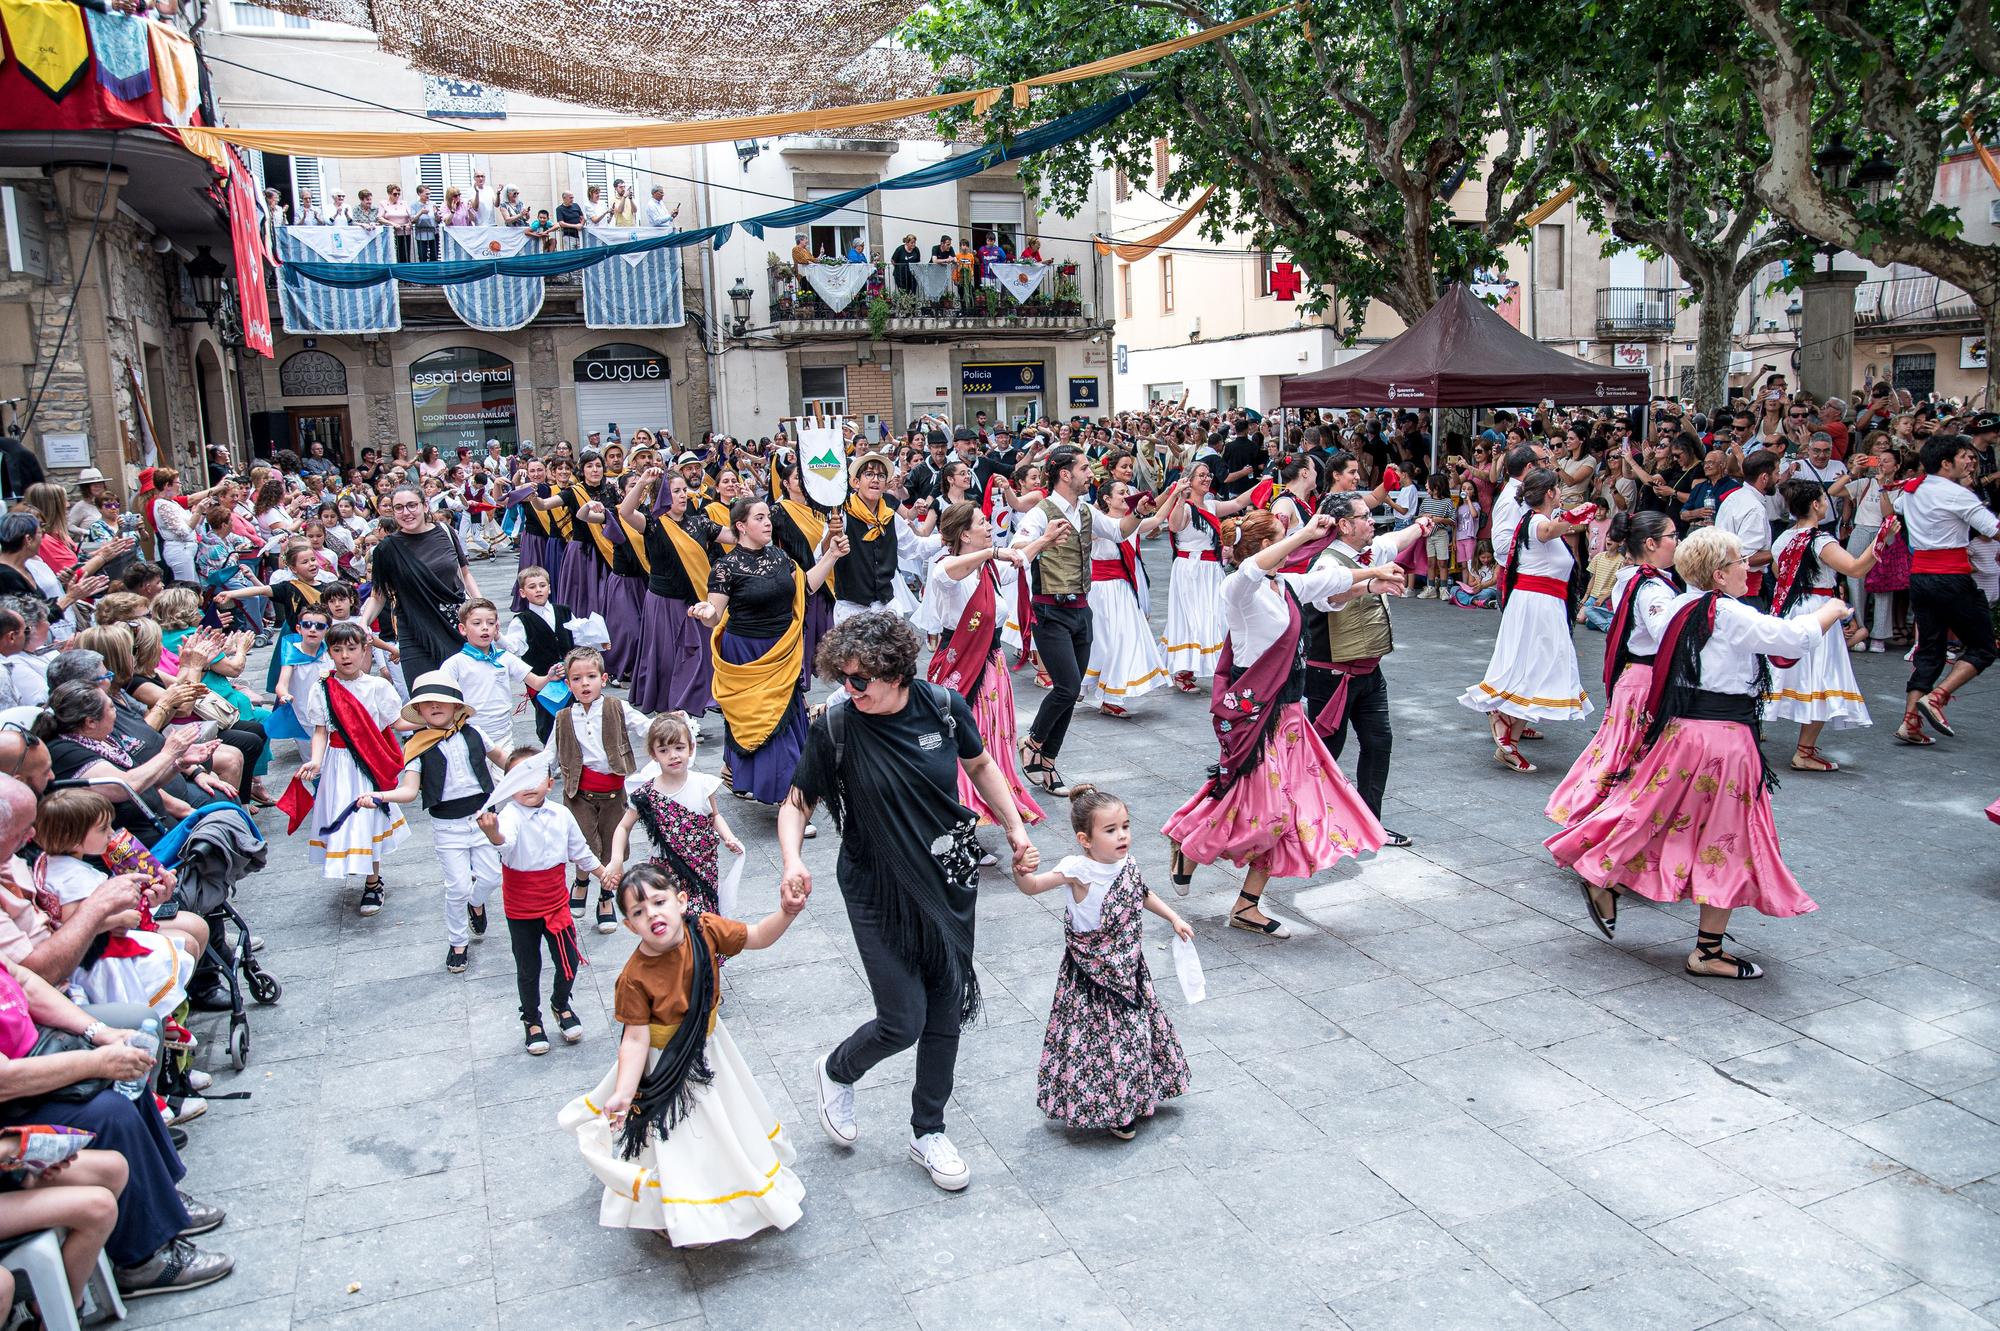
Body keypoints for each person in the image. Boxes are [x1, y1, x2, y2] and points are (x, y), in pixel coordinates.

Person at [784, 613, 1037, 1193]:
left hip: (948, 876)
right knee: (903, 1019)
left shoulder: (943, 707)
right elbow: (797, 802)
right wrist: (794, 859)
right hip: (875, 886)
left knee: (946, 1008)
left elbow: (979, 764)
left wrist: (1017, 830)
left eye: (858, 679)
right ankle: (837, 1070)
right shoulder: (838, 726)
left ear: (895, 673)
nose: (848, 689)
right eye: (842, 677)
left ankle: (929, 1130)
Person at [1545, 528, 1848, 979]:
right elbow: (1789, 640)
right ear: (1720, 574)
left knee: (1652, 810)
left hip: (1684, 731)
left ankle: (1600, 868)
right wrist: (1829, 611)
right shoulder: (1724, 612)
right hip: (1723, 739)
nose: (1750, 566)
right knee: (1729, 837)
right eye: (1741, 560)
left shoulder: (1682, 605)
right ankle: (1706, 950)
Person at [1162, 511, 1393, 938]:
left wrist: (1372, 579)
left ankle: (1246, 904)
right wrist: (1306, 533)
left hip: (1289, 717)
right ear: (1265, 546)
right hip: (1257, 715)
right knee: (1260, 808)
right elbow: (1252, 567)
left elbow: (1333, 583)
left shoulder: (1284, 586)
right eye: (1285, 539)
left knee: (1290, 814)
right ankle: (1190, 847)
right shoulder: (1238, 589)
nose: (1296, 545)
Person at [557, 864, 806, 1245]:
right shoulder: (634, 977)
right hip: (665, 1064)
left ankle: (726, 1191)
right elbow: (635, 1040)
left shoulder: (705, 930)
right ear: (629, 926)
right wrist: (624, 1092)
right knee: (676, 1139)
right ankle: (672, 1207)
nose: (652, 914)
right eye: (638, 912)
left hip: (710, 1049)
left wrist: (787, 912)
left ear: (681, 901)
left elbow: (756, 936)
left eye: (659, 902)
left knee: (722, 1127)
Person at [1012, 785, 1191, 1141]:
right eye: (1110, 830)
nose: (1122, 835)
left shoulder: (1128, 864)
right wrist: (1020, 868)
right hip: (1091, 979)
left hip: (1129, 968)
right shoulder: (1077, 871)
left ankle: (1136, 1096)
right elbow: (1031, 886)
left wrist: (1173, 917)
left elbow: (1141, 893)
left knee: (1134, 1034)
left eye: (1125, 826)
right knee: (1099, 1044)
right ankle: (1114, 1110)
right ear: (1086, 839)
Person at [692, 499, 843, 806]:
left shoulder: (778, 556)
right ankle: (786, 797)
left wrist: (832, 555)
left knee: (783, 720)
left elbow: (806, 587)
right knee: (754, 718)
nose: (767, 522)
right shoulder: (725, 567)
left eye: (767, 517)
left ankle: (778, 787)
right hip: (747, 652)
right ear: (741, 526)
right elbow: (714, 615)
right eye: (759, 518)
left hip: (782, 649)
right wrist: (705, 610)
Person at [1307, 492, 1436, 847]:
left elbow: (1395, 539)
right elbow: (1327, 597)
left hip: (1369, 673)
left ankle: (1370, 824)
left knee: (1379, 743)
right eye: (1365, 517)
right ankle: (1307, 824)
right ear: (1344, 525)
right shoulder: (1326, 564)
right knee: (1325, 754)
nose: (1372, 522)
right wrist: (1368, 585)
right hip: (1331, 677)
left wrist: (1421, 526)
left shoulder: (1371, 551)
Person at [1545, 512, 1679, 827]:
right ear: (1650, 543)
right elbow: (1665, 630)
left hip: (1634, 678)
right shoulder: (1651, 586)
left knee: (1620, 754)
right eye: (1672, 535)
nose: (1678, 542)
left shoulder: (1636, 577)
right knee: (1633, 760)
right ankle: (1606, 824)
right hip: (1645, 681)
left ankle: (1597, 817)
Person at [477, 749, 615, 1054]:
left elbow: (580, 850)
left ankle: (560, 1003)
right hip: (522, 906)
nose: (528, 786)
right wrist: (493, 834)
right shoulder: (508, 817)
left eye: (534, 778)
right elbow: (506, 842)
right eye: (518, 779)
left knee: (569, 961)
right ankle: (532, 1019)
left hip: (555, 902)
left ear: (549, 782)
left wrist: (602, 873)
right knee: (528, 967)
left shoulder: (561, 814)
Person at [1459, 469, 1594, 772]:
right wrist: (1573, 517)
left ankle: (1509, 729)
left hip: (1544, 606)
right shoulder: (1536, 521)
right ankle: (1506, 729)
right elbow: (1546, 531)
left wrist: (1571, 518)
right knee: (1534, 666)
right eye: (1557, 489)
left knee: (1538, 667)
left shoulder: (1540, 521)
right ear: (1550, 493)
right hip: (1537, 606)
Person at [923, 502, 1042, 830]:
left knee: (991, 736)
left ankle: (987, 805)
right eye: (982, 522)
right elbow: (948, 572)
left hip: (992, 663)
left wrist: (1044, 540)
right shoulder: (946, 570)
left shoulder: (987, 569)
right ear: (965, 534)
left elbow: (1019, 560)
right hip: (962, 663)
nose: (990, 526)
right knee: (964, 738)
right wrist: (992, 552)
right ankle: (960, 813)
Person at [1764, 479, 1881, 768]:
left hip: (1789, 608)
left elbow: (1780, 574)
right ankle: (1804, 751)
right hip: (1819, 609)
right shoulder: (1820, 540)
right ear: (1815, 505)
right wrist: (1880, 541)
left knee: (1781, 673)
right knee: (1822, 674)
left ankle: (1755, 735)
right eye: (1823, 499)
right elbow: (1854, 567)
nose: (1827, 503)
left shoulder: (1783, 538)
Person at [393, 672, 503, 973]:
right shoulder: (416, 745)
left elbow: (503, 760)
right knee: (456, 887)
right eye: (427, 704)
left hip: (483, 818)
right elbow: (409, 789)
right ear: (419, 712)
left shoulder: (475, 733)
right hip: (447, 825)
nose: (435, 706)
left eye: (442, 701)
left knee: (492, 877)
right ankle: (458, 942)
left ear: (456, 707)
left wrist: (527, 773)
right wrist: (380, 795)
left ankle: (477, 903)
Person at [296, 623, 409, 913]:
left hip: (367, 762)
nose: (345, 655)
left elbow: (397, 723)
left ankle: (373, 882)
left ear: (364, 650)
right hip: (337, 764)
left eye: (351, 648)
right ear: (329, 653)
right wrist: (316, 761)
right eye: (337, 649)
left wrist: (436, 719)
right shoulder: (322, 688)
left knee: (366, 818)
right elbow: (321, 731)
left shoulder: (377, 687)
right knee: (344, 818)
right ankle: (355, 865)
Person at [1895, 433, 1999, 745]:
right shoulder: (1956, 495)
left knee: (1930, 649)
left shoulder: (1913, 489)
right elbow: (1993, 530)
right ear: (1945, 463)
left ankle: (1910, 721)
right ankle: (1937, 697)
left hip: (1922, 577)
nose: (1969, 461)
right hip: (1951, 578)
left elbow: (1898, 507)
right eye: (1963, 457)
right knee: (1983, 647)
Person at [1013, 446, 1100, 795]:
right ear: (1065, 474)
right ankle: (1032, 741)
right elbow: (1018, 548)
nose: (1090, 473)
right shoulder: (1039, 512)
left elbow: (1122, 530)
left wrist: (1143, 511)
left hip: (1081, 609)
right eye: (1084, 467)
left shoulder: (1087, 511)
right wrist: (1045, 538)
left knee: (1073, 689)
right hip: (1050, 611)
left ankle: (1047, 763)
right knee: (1065, 686)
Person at [605, 712, 739, 928]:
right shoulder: (646, 794)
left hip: (703, 866)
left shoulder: (704, 784)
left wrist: (729, 837)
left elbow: (714, 816)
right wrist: (617, 859)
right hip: (666, 870)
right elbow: (623, 826)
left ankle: (703, 959)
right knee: (674, 921)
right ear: (653, 754)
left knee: (702, 923)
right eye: (664, 750)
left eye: (679, 748)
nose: (673, 755)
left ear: (691, 748)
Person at [550, 646, 650, 929]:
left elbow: (644, 727)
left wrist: (668, 724)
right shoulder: (563, 718)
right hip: (578, 793)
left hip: (613, 792)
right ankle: (581, 881)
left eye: (591, 676)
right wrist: (530, 775)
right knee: (583, 843)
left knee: (612, 845)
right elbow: (550, 754)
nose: (584, 684)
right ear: (568, 683)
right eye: (577, 678)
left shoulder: (617, 708)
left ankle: (606, 895)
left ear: (603, 679)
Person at [358, 485, 482, 682]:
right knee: (426, 696)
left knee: (466, 694)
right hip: (416, 631)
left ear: (425, 506)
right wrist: (364, 623)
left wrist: (483, 607)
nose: (406, 512)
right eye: (399, 507)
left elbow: (465, 575)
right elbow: (378, 595)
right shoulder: (386, 549)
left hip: (454, 624)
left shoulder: (445, 531)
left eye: (411, 505)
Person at [1079, 479, 1171, 717]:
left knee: (1122, 641)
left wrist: (1175, 493)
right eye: (1120, 493)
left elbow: (1158, 519)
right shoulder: (1100, 524)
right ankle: (1087, 684)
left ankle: (1109, 695)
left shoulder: (1132, 523)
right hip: (1103, 592)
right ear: (1107, 499)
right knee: (1104, 641)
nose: (1125, 495)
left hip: (1125, 589)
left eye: (1127, 491)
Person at [438, 598, 547, 755]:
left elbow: (535, 682)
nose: (485, 628)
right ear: (463, 628)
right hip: (469, 735)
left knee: (505, 777)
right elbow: (441, 696)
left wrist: (550, 676)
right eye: (477, 623)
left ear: (496, 628)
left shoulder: (505, 658)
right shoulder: (455, 663)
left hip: (503, 736)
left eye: (490, 623)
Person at [497, 566, 573, 744]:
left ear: (549, 588)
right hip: (542, 679)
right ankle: (551, 756)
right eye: (532, 587)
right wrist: (498, 636)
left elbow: (577, 634)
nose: (538, 590)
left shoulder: (564, 611)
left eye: (542, 585)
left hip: (569, 675)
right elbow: (514, 646)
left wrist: (598, 641)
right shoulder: (522, 620)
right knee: (547, 719)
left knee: (572, 715)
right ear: (523, 593)